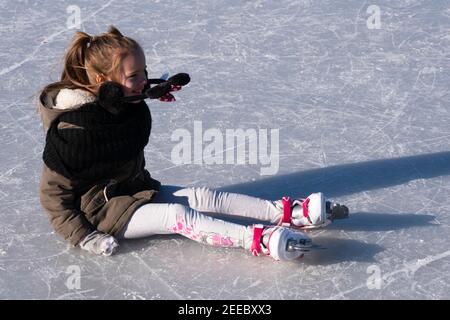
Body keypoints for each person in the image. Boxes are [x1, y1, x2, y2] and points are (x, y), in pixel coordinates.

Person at [39, 26, 348, 261]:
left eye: (145, 72)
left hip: (135, 189)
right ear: (101, 83)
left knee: (204, 196)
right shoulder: (74, 132)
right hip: (103, 212)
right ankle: (259, 240)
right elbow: (52, 195)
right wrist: (83, 236)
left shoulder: (120, 106)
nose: (145, 81)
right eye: (135, 76)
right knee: (177, 216)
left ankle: (285, 212)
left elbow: (131, 104)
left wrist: (152, 88)